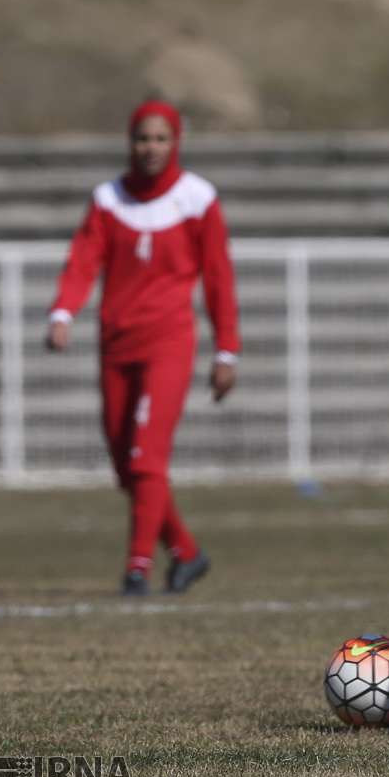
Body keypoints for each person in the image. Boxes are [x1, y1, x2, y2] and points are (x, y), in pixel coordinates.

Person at [46, 99, 241, 596]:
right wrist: (63, 312)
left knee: (145, 460)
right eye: (142, 138)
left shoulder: (197, 198)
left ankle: (137, 569)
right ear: (129, 142)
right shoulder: (109, 199)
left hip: (168, 343)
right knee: (124, 465)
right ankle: (187, 553)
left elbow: (218, 278)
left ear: (175, 142)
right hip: (115, 344)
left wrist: (226, 351)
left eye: (160, 138)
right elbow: (83, 260)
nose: (150, 148)